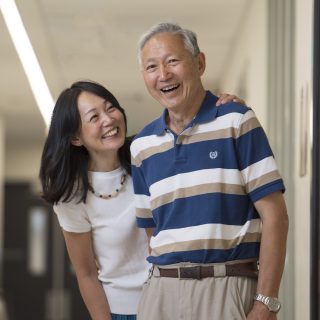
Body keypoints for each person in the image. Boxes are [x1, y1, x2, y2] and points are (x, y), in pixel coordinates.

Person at [39, 80, 245, 320]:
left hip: (179, 299)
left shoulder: (149, 155)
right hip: (125, 311)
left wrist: (225, 110)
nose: (108, 120)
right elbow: (86, 274)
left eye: (110, 108)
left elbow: (194, 137)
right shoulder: (72, 196)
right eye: (94, 117)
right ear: (75, 137)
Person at [130, 22, 289, 320]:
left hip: (227, 288)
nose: (163, 75)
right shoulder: (142, 146)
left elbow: (276, 217)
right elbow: (154, 231)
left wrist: (266, 302)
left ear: (199, 63)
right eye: (151, 67)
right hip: (161, 294)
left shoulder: (237, 122)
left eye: (172, 61)